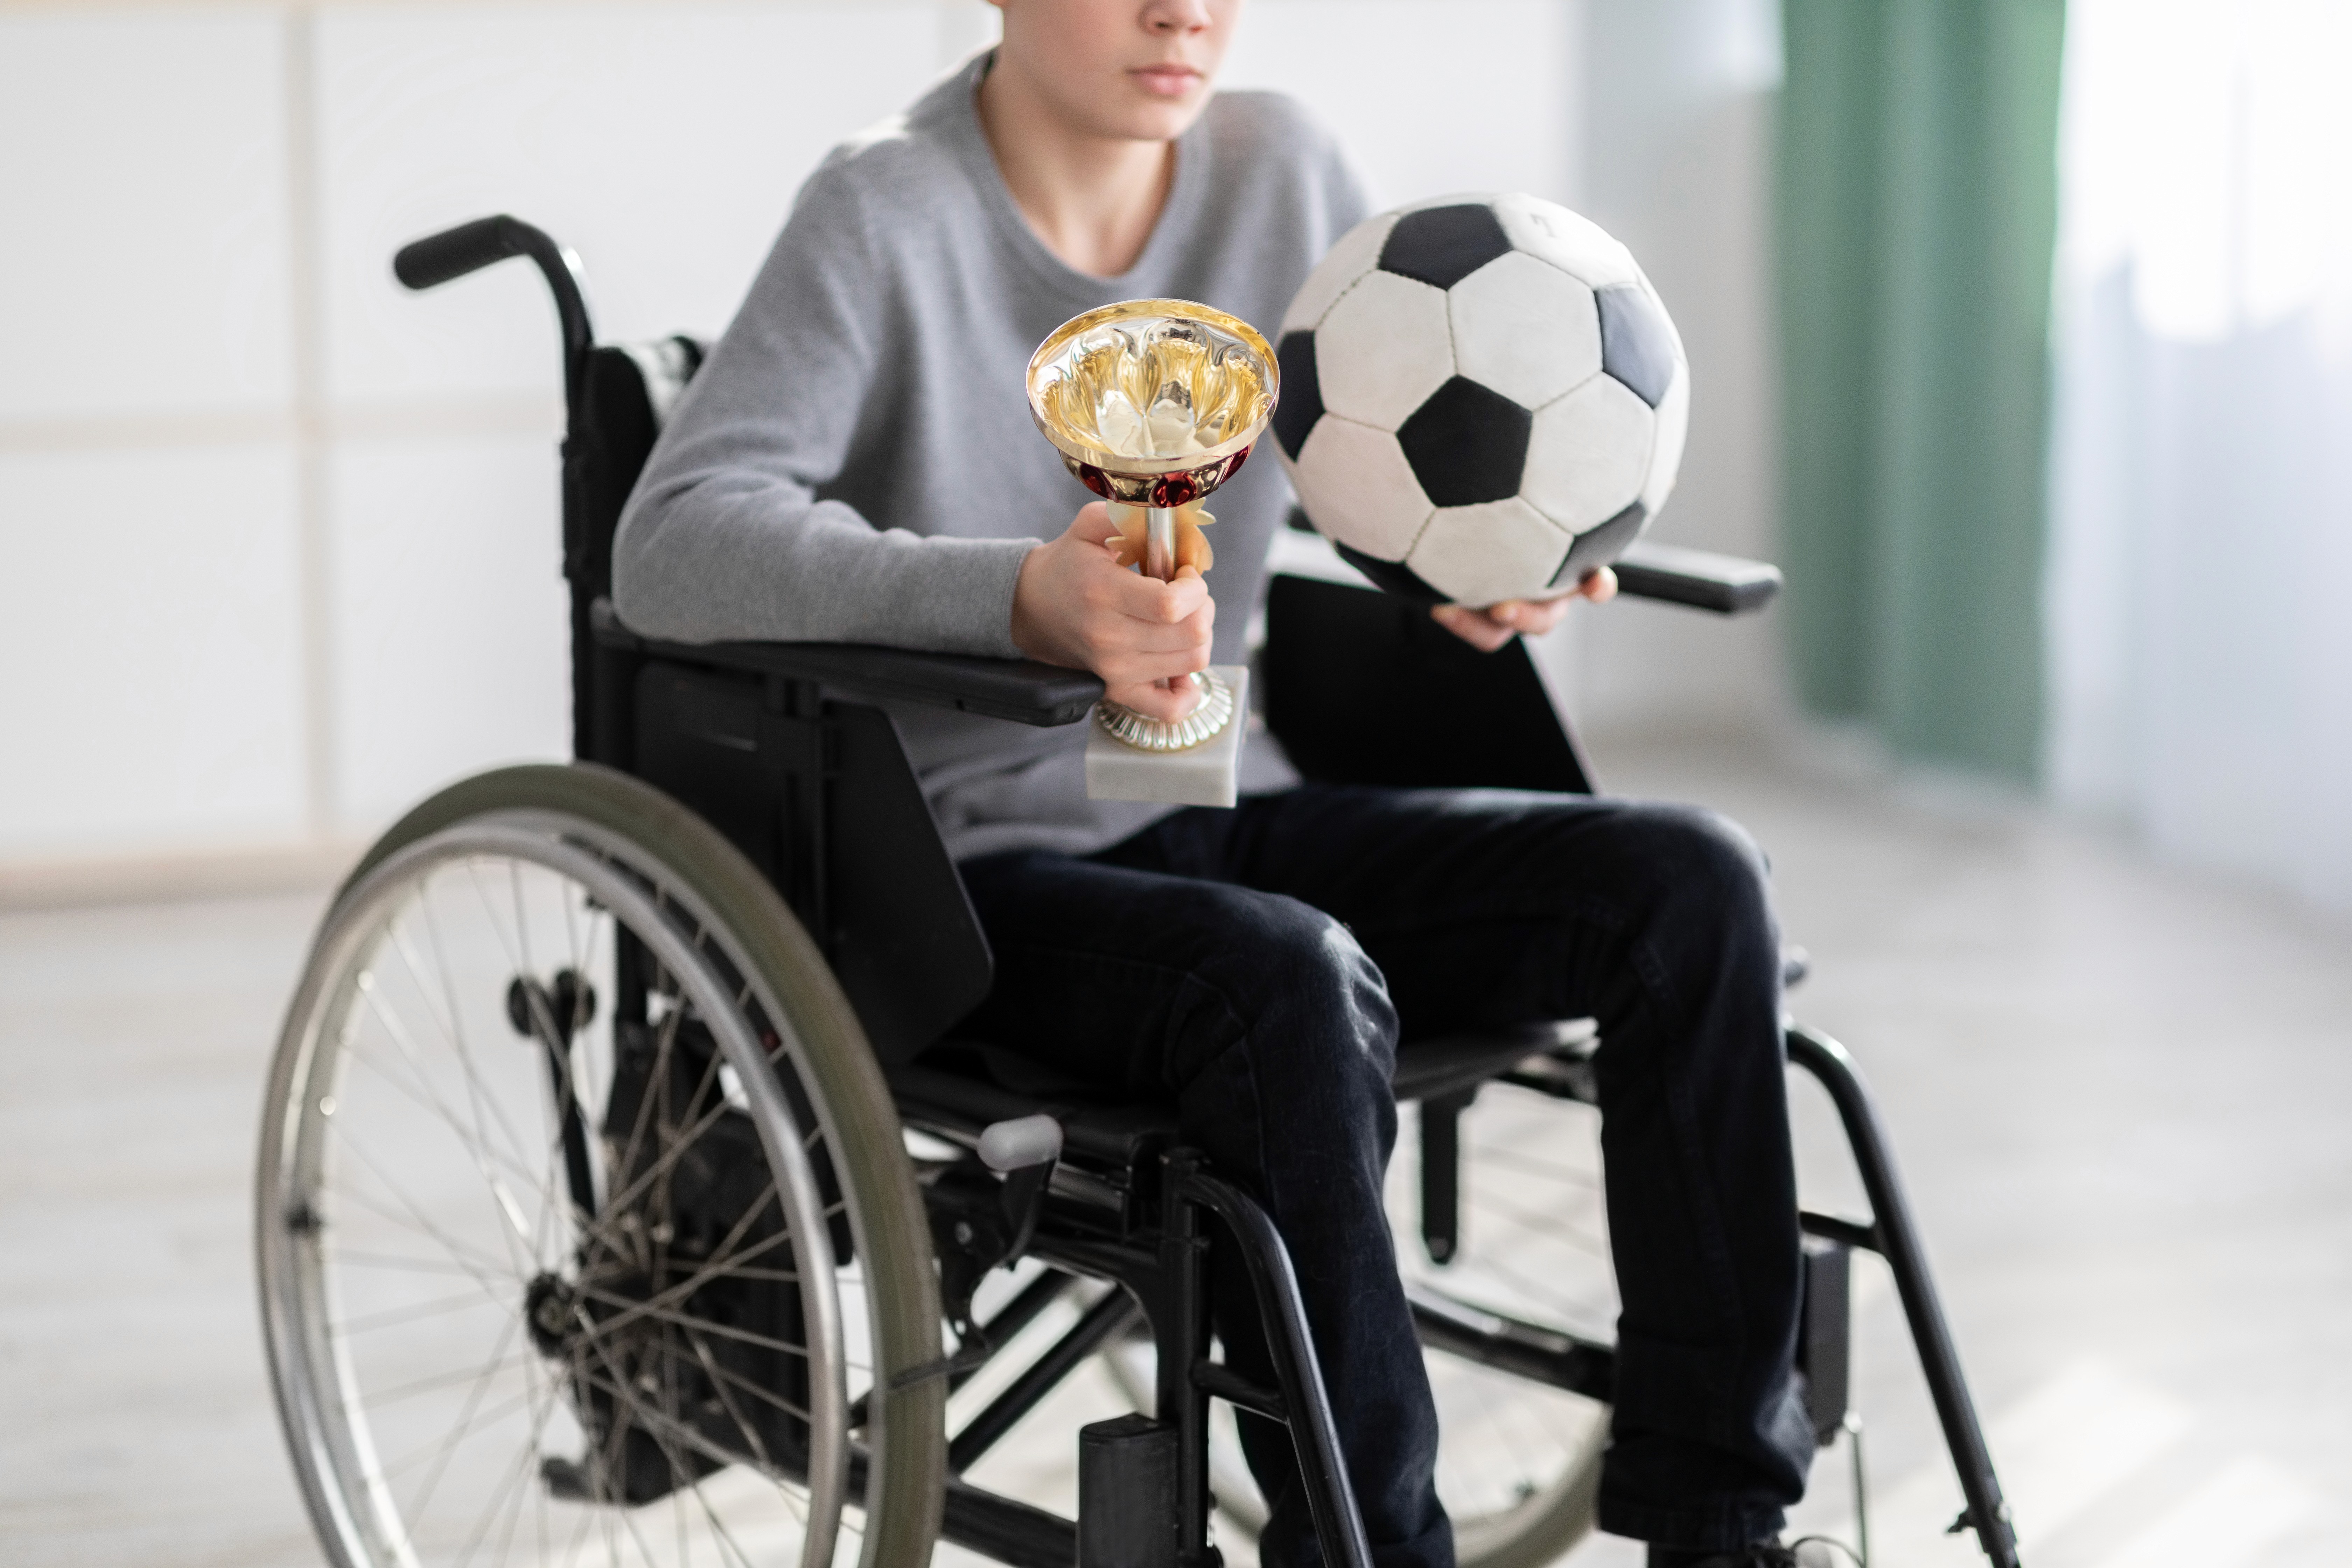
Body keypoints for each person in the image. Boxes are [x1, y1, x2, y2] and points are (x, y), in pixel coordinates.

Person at [613, 2, 1813, 1563]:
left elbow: (1366, 451)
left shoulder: (1279, 166)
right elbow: (673, 540)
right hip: (964, 879)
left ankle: (1721, 1523)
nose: (1185, 9)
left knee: (1692, 885)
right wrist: (1018, 599)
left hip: (1205, 803)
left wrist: (1456, 565)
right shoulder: (884, 209)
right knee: (1288, 984)